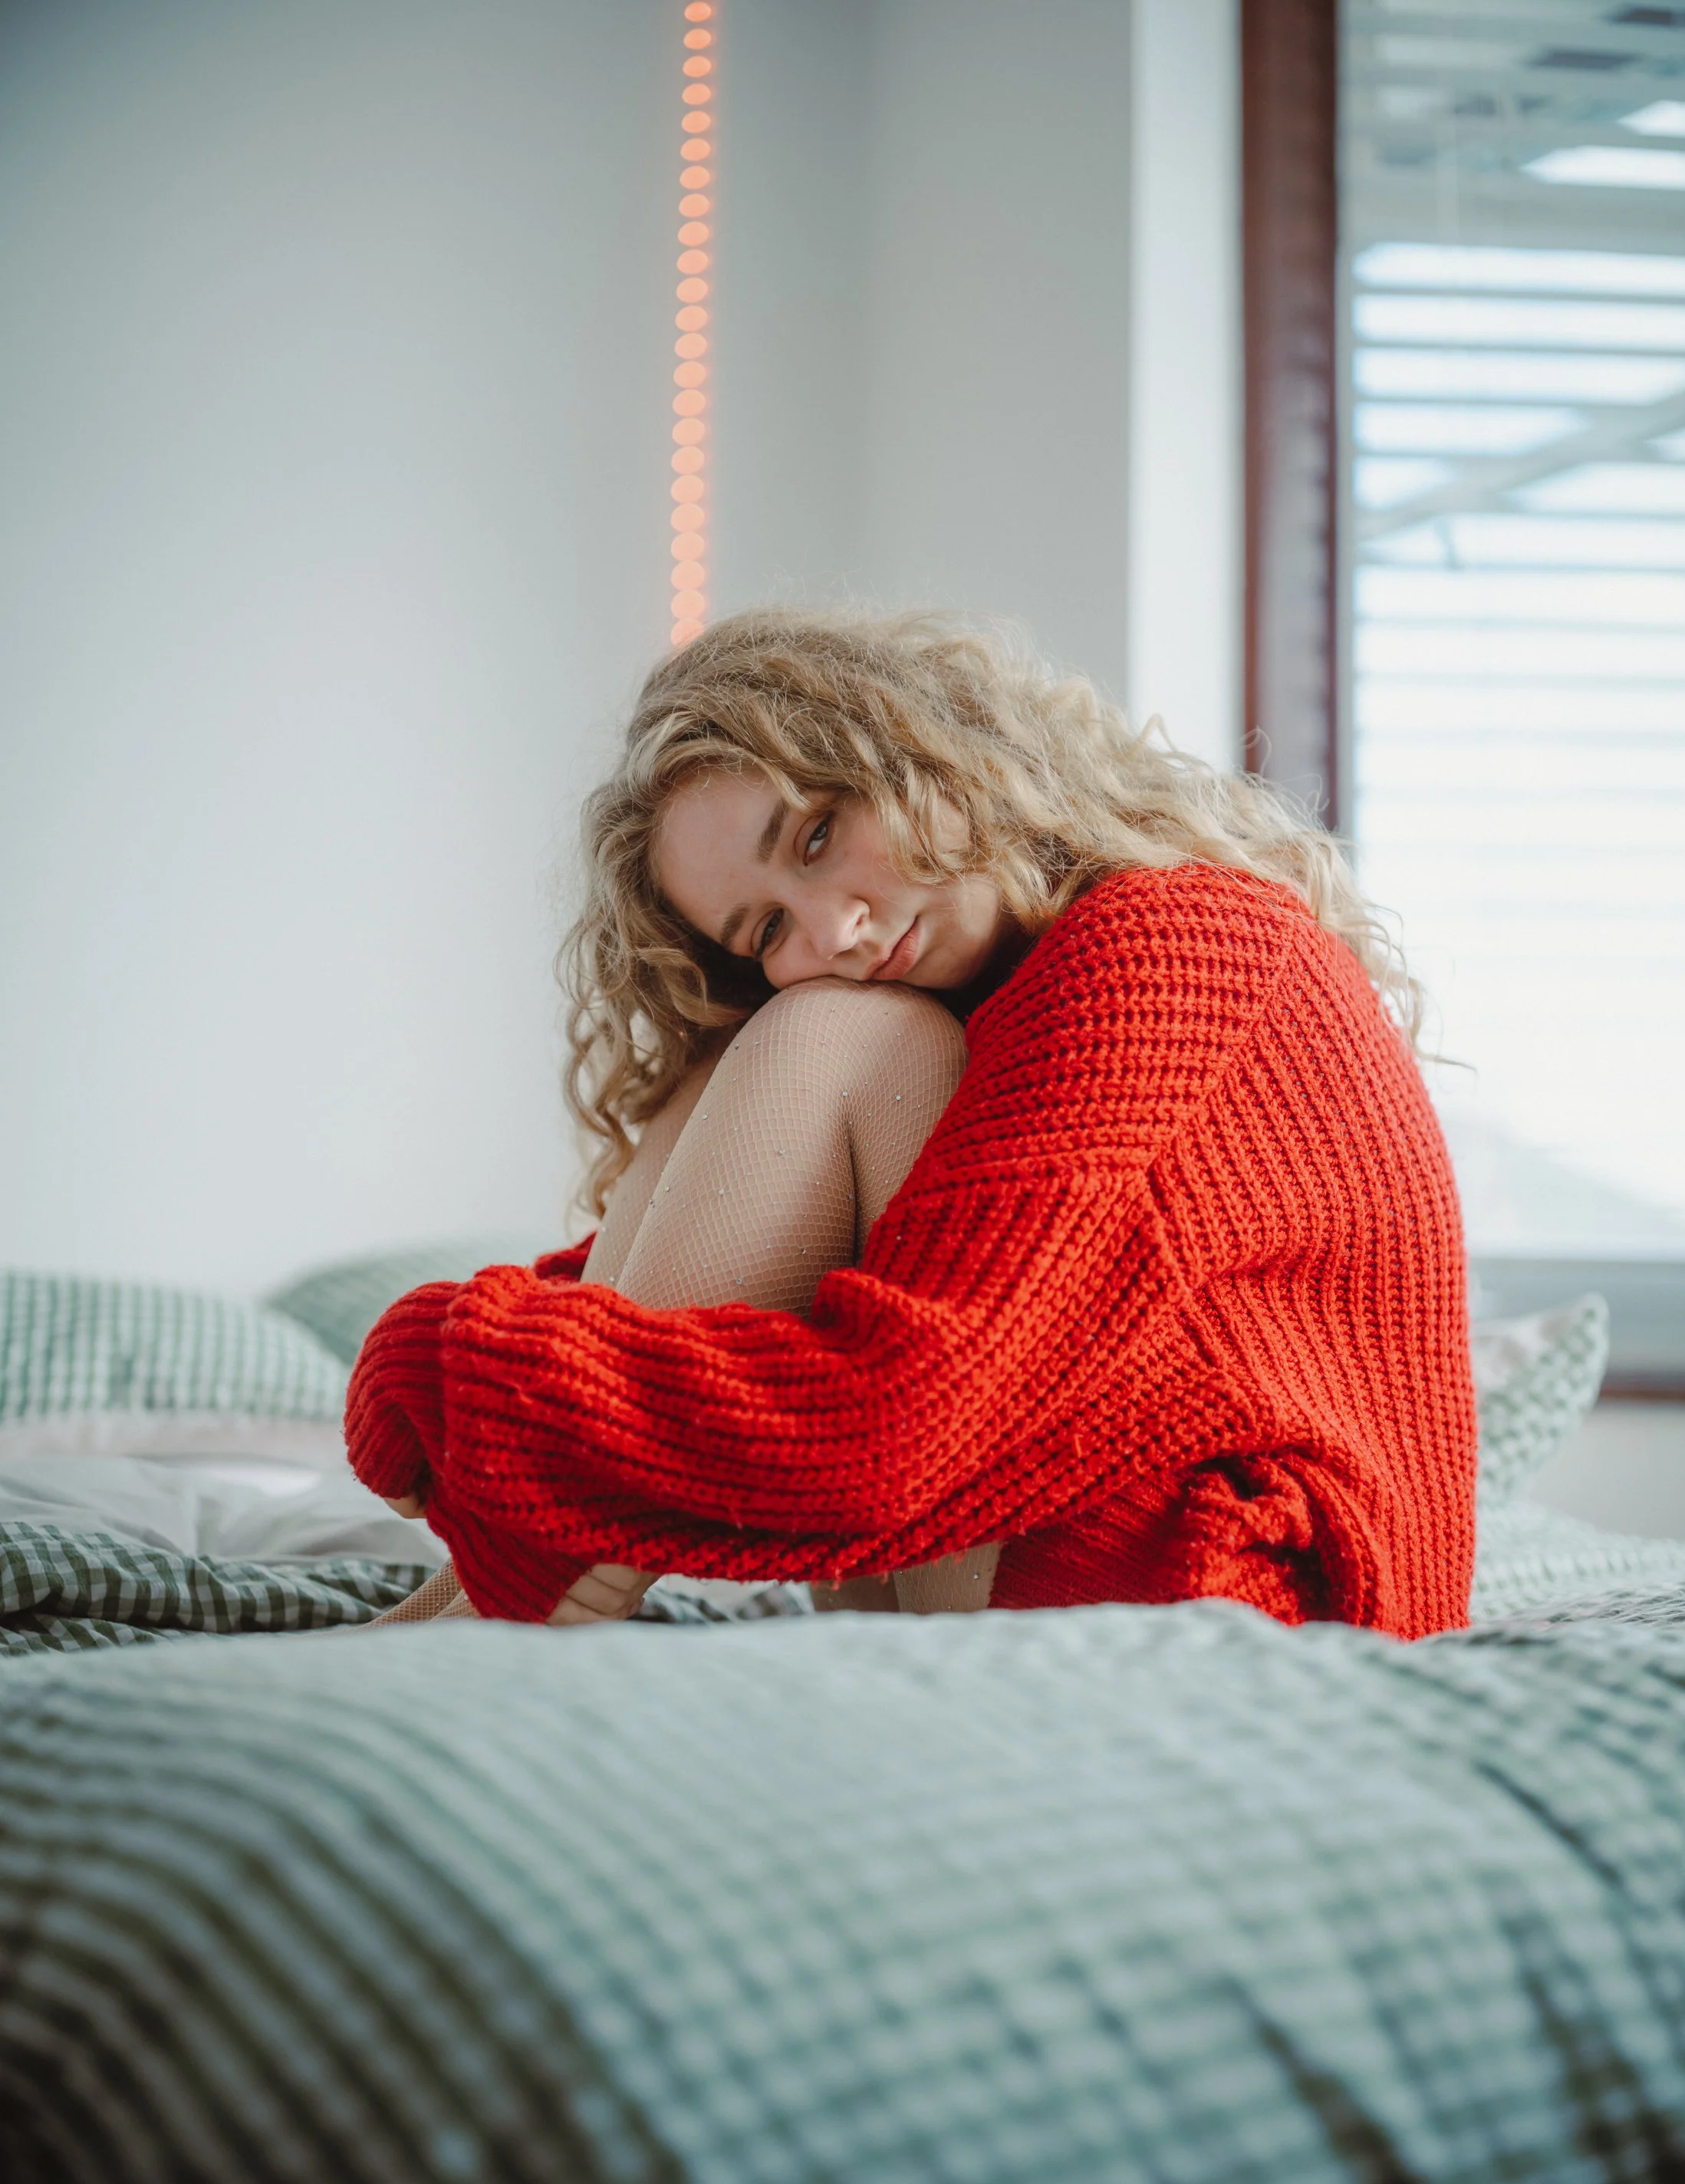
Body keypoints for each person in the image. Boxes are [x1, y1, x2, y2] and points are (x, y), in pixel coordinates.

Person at [351, 609, 1474, 1636]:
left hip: (1248, 1598)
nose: (831, 929)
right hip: (1114, 1551)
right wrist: (485, 1349)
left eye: (816, 836)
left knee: (830, 1031)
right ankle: (491, 1590)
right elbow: (773, 1252)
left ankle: (505, 1595)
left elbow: (895, 1423)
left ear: (928, 752)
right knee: (773, 1046)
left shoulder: (1177, 941)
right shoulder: (1006, 1004)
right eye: (764, 931)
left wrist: (469, 1372)